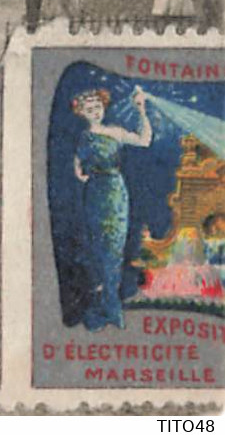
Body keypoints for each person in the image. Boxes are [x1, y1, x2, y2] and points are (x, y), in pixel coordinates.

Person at [71, 86, 152, 329]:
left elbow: (144, 140)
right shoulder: (84, 137)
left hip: (115, 191)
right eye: (89, 109)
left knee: (115, 246)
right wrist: (79, 173)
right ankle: (104, 304)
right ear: (82, 113)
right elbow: (78, 160)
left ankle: (112, 307)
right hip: (94, 193)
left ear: (103, 108)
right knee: (98, 246)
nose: (94, 112)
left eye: (97, 107)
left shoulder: (114, 132)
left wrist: (141, 110)